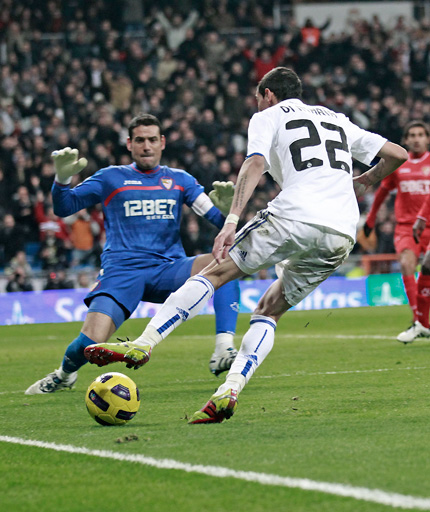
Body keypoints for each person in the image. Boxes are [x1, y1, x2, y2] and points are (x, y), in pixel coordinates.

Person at [84, 67, 407, 423]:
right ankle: (229, 390)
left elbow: (255, 163)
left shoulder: (268, 116)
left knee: (215, 271)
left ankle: (144, 343)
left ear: (268, 94)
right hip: (341, 230)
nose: (256, 104)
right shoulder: (337, 119)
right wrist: (363, 181)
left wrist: (232, 219)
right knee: (269, 310)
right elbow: (397, 154)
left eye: (257, 98)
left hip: (295, 214)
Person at [25, 113, 240, 394]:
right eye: (140, 140)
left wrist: (229, 213)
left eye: (152, 139)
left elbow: (222, 225)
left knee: (226, 261)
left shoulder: (180, 180)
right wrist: (62, 179)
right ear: (129, 144)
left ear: (162, 142)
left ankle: (224, 348)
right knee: (91, 341)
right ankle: (64, 374)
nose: (147, 146)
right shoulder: (111, 178)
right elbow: (64, 207)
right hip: (122, 273)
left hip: (169, 270)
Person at [363, 121, 430, 342]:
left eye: (421, 134)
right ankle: (418, 322)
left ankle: (422, 322)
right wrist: (370, 220)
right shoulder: (399, 163)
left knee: (427, 269)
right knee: (407, 264)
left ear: (427, 138)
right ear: (406, 140)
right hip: (405, 227)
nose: (417, 138)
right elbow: (382, 191)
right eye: (412, 135)